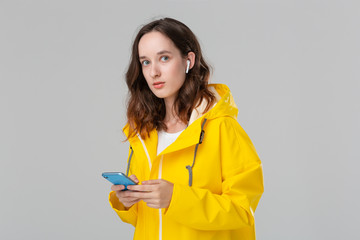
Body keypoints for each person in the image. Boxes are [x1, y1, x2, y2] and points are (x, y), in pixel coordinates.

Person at [108, 17, 264, 240]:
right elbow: (146, 220)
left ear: (188, 60)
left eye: (164, 58)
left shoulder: (222, 126)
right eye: (145, 62)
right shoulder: (144, 133)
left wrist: (175, 198)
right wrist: (127, 201)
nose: (154, 72)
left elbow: (242, 211)